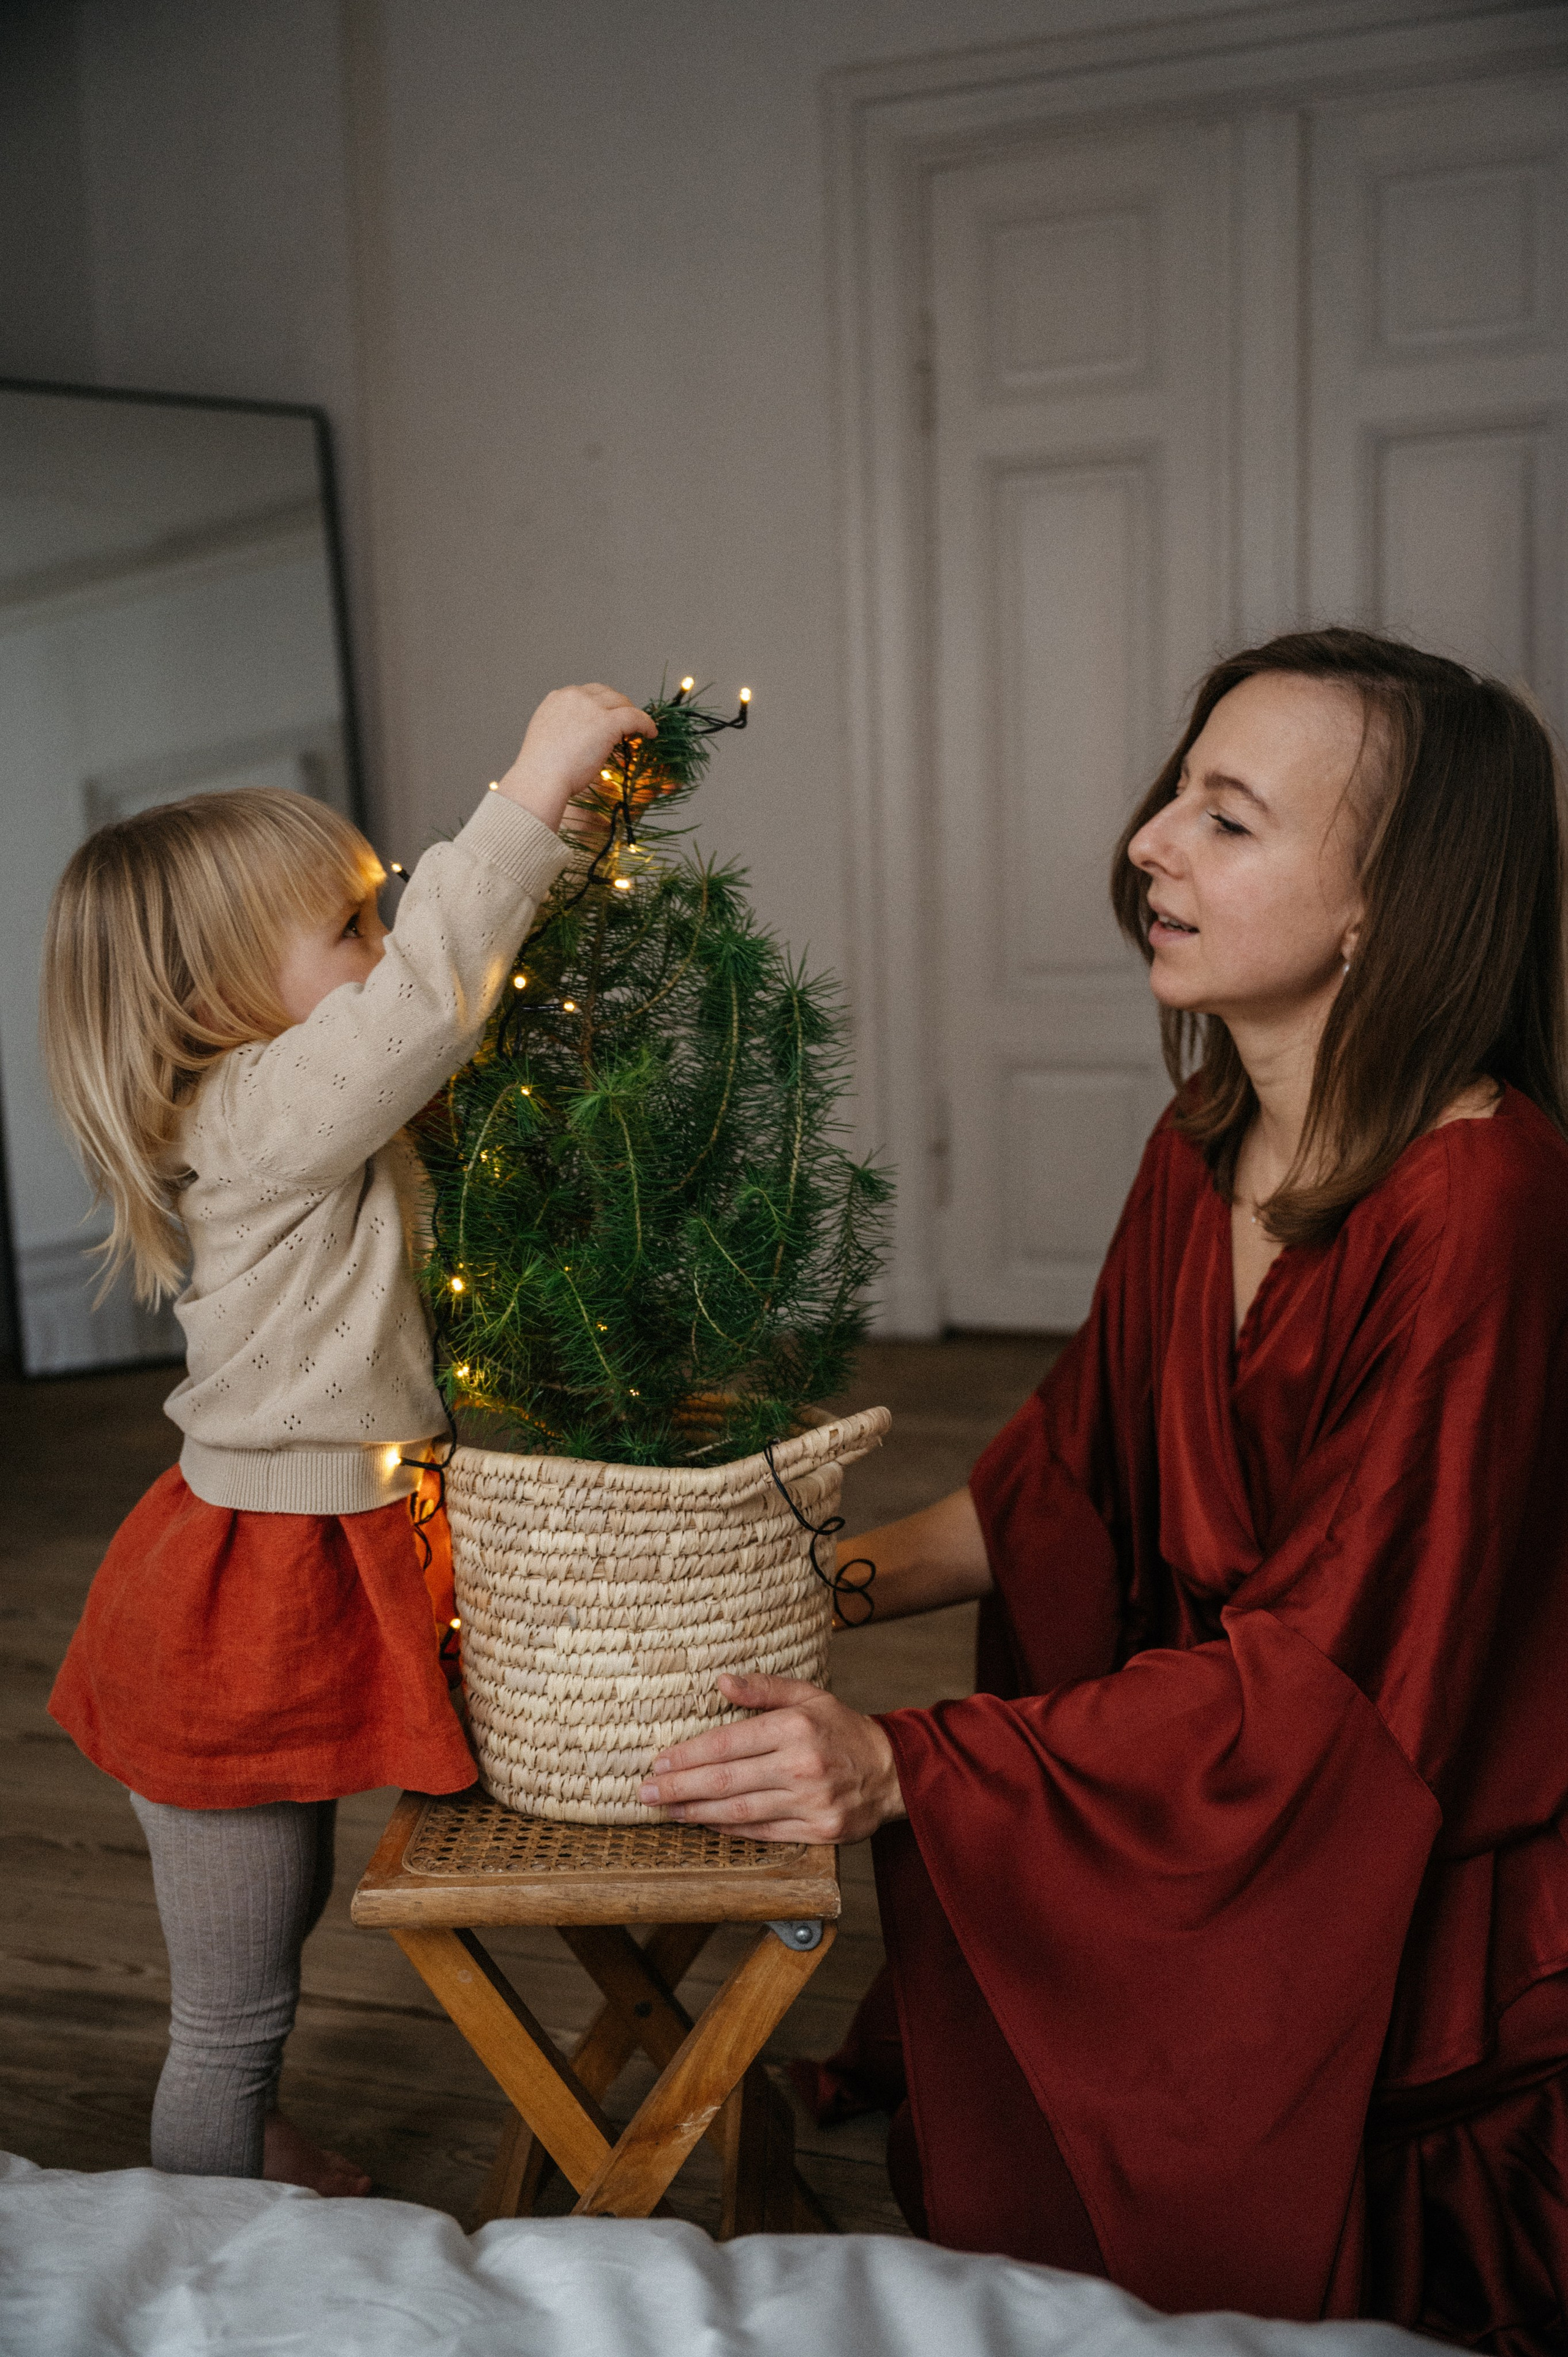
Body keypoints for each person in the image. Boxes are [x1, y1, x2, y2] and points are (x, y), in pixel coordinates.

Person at [638, 630, 1568, 2348]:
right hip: (1219, 1754)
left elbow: (1340, 1690)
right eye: (1174, 794)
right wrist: (783, 1592)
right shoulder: (1203, 1137)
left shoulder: (1481, 1207)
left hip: (1392, 1851)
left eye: (1228, 818)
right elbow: (1063, 1491)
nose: (1147, 841)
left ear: (1385, 909)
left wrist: (904, 1762)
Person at [44, 682, 653, 2194]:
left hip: (336, 1535)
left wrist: (563, 856)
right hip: (243, 1592)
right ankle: (209, 2219)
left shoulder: (291, 1101)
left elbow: (421, 1006)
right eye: (347, 928)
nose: (381, 947)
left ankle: (243, 2141)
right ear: (215, 1000)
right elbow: (423, 1005)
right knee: (232, 2008)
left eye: (380, 917)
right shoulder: (258, 1112)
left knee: (281, 1929)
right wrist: (527, 787)